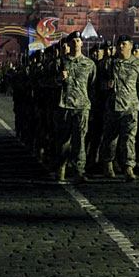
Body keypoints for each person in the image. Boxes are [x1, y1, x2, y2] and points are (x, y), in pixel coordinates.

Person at [99, 35, 139, 182]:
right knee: (110, 138)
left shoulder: (138, 65)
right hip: (112, 106)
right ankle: (108, 163)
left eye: (124, 44)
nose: (121, 46)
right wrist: (106, 85)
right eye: (119, 44)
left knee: (129, 139)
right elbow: (98, 83)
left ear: (130, 46)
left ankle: (128, 167)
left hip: (131, 107)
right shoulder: (109, 63)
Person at [55, 31, 97, 183]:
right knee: (64, 140)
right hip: (64, 106)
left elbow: (92, 87)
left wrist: (92, 107)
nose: (76, 43)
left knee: (80, 140)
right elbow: (47, 83)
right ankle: (61, 166)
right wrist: (59, 79)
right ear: (69, 44)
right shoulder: (60, 62)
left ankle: (79, 170)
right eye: (73, 41)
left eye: (78, 41)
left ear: (82, 43)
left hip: (82, 107)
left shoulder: (89, 64)